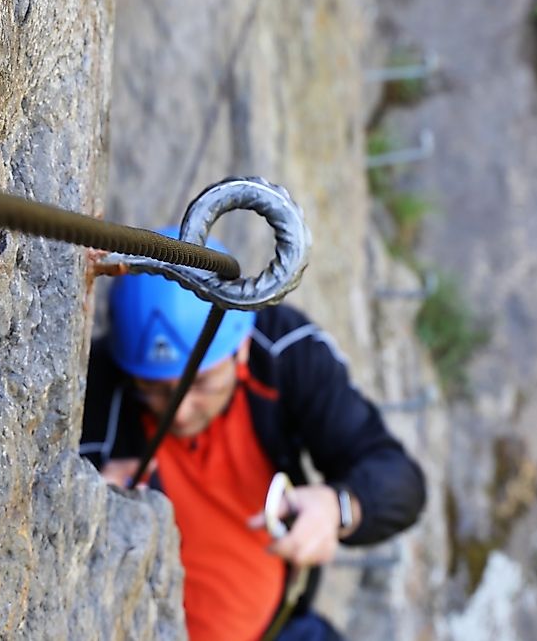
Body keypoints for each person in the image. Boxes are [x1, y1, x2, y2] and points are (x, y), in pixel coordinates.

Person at [80, 230, 426, 641]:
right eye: (154, 388)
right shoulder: (94, 392)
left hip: (284, 630)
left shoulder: (282, 355)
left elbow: (399, 481)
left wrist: (339, 507)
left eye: (202, 382)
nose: (180, 410)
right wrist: (86, 503)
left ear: (239, 348)